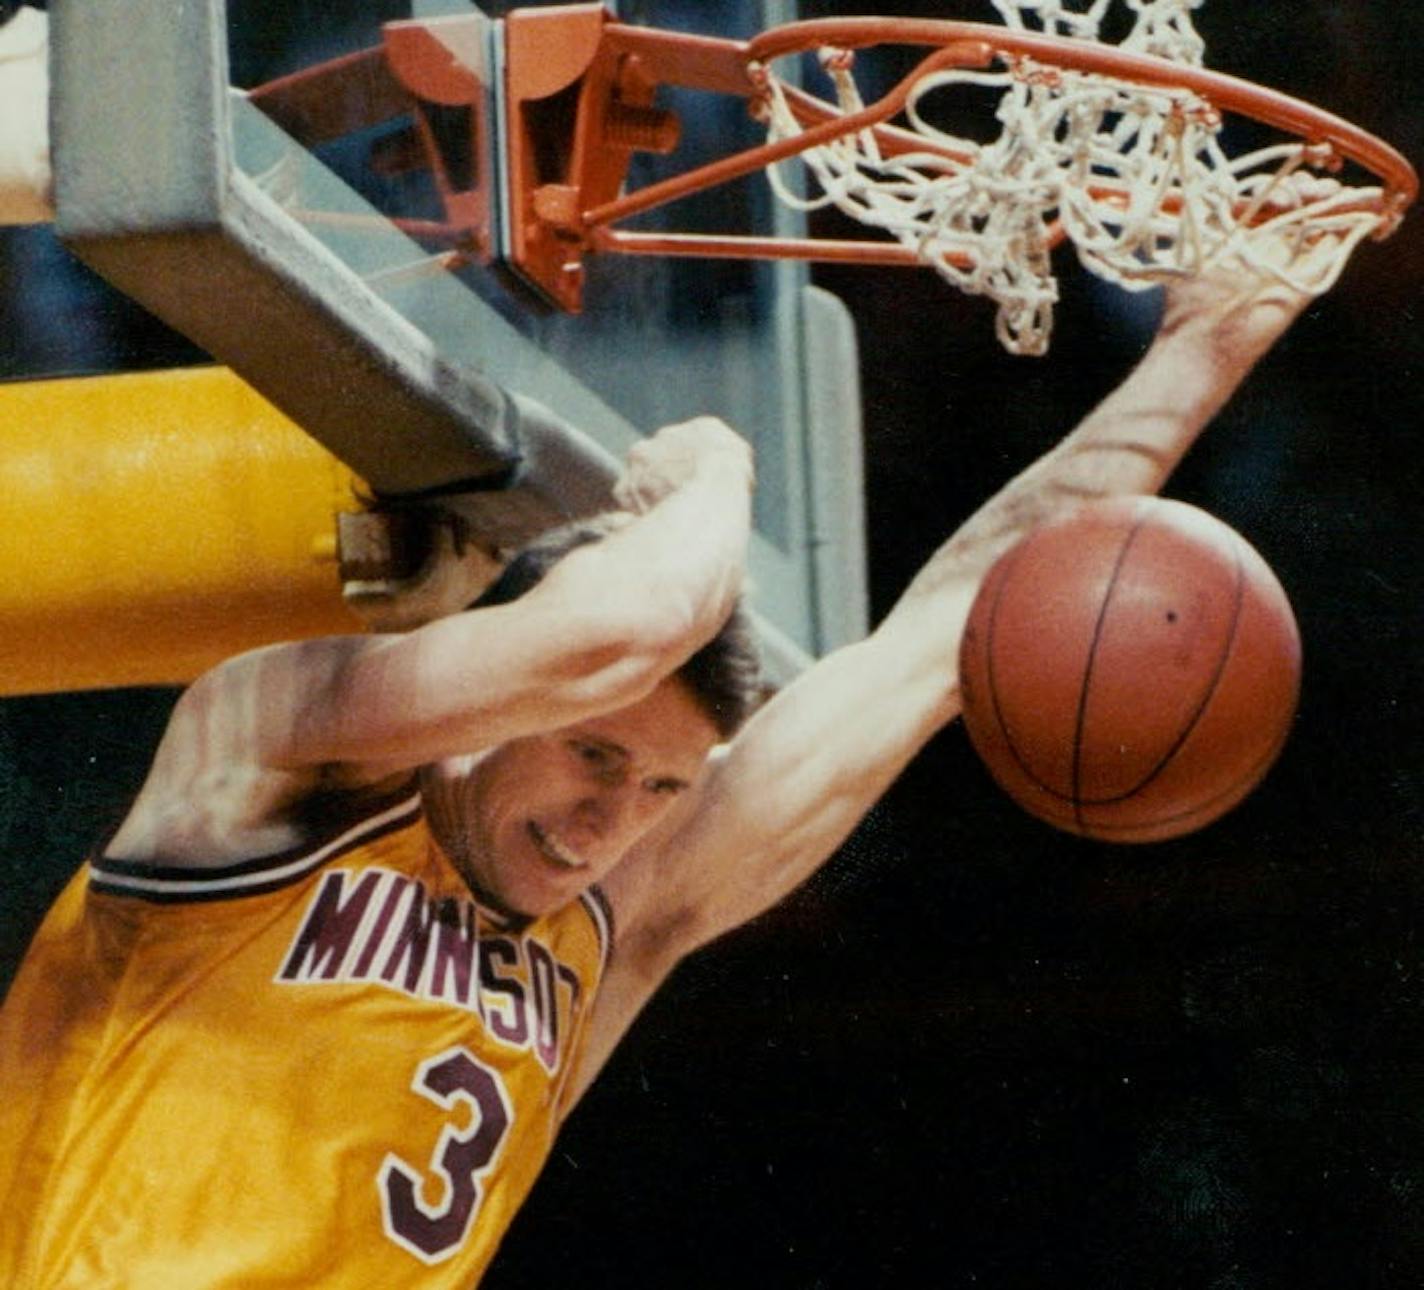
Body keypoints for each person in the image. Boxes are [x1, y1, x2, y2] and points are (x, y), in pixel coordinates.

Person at [0, 255, 1318, 1287]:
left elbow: (950, 631)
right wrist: (716, 469)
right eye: (594, 753)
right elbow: (617, 630)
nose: (607, 821)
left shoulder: (611, 924)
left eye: (663, 790)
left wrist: (1206, 347)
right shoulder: (266, 750)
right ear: (497, 689)